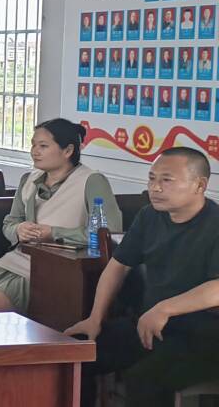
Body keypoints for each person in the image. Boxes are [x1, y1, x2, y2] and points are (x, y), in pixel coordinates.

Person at [65, 148, 219, 406]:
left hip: (203, 336)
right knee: (74, 352)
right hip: (150, 326)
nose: (155, 188)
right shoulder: (149, 216)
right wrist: (95, 318)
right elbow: (117, 266)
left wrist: (165, 308)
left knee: (143, 380)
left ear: (200, 185)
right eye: (151, 178)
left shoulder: (215, 224)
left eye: (166, 180)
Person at [0, 119, 122, 313]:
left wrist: (54, 233)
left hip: (64, 263)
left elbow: (110, 232)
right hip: (22, 257)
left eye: (43, 146)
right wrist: (19, 230)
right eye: (33, 145)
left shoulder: (92, 181)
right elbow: (10, 222)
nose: (35, 151)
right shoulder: (28, 180)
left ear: (68, 151)